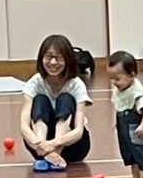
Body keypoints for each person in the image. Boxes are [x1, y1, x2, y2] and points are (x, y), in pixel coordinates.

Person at [19, 35, 92, 170]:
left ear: (68, 60)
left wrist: (53, 145)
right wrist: (42, 147)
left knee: (66, 98)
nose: (53, 62)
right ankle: (48, 154)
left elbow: (78, 131)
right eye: (48, 57)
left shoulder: (76, 85)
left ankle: (56, 153)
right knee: (40, 100)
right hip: (40, 149)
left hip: (72, 147)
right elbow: (24, 126)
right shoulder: (34, 83)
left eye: (58, 58)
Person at [107, 50, 143, 178]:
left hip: (137, 128)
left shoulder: (137, 92)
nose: (113, 82)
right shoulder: (121, 90)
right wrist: (117, 121)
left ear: (131, 75)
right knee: (130, 153)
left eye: (117, 79)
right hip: (124, 127)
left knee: (142, 152)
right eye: (111, 78)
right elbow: (120, 106)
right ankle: (135, 177)